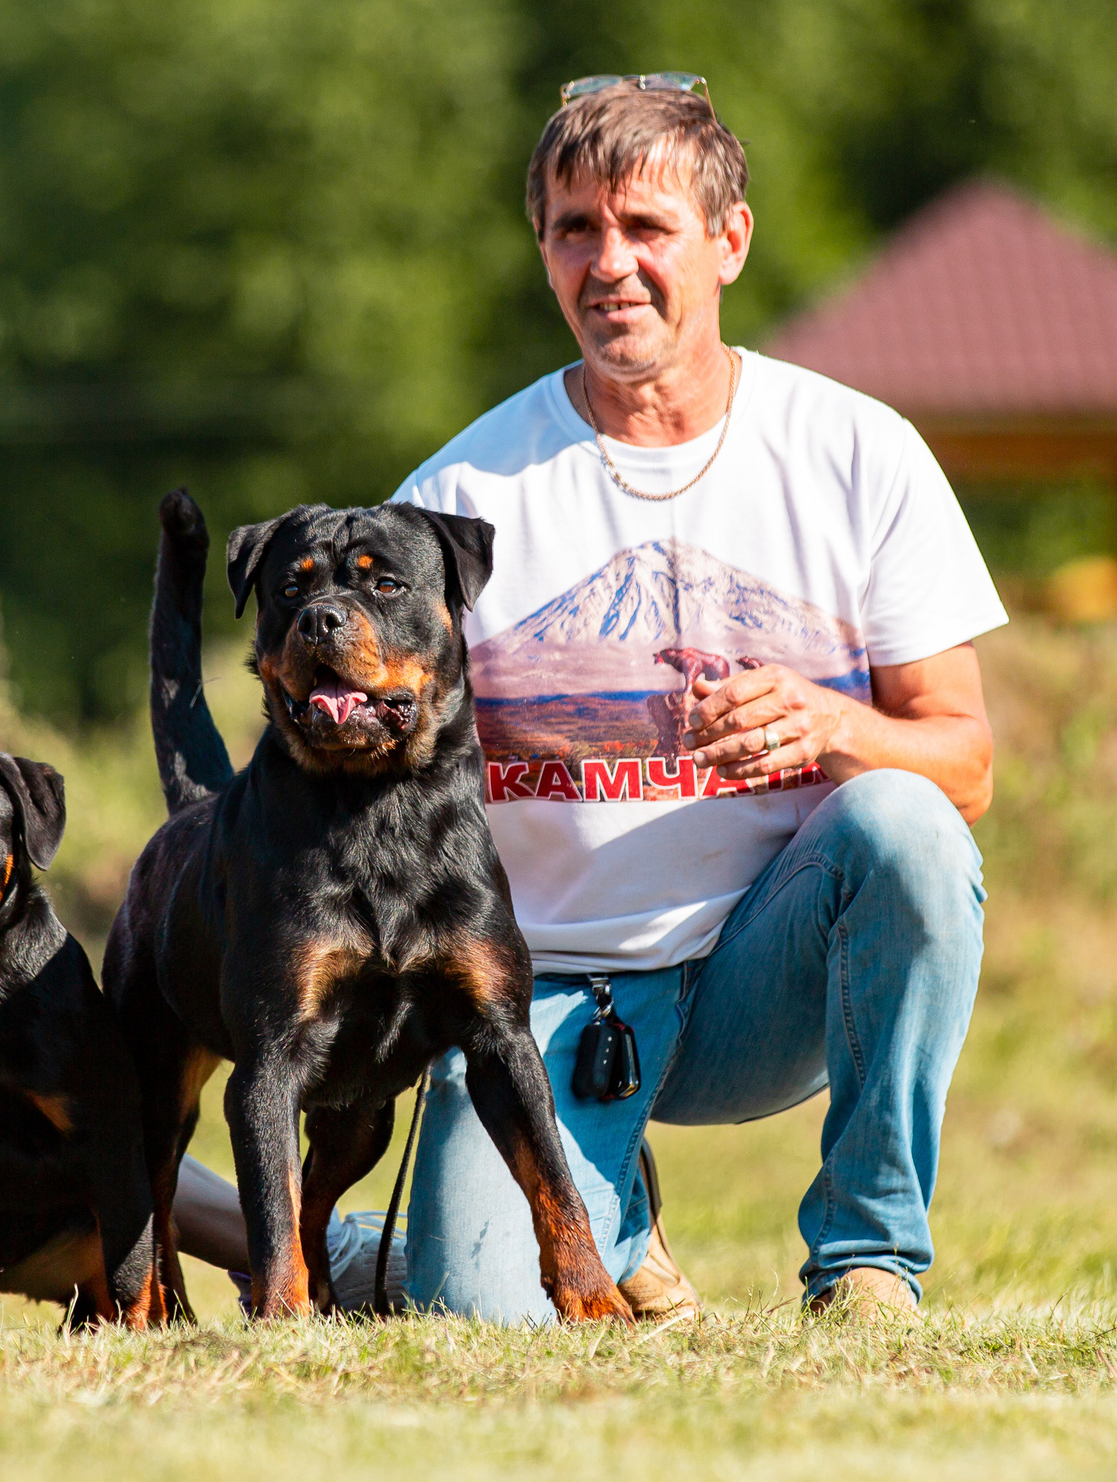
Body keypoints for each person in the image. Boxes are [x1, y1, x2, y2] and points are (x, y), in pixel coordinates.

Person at [387, 75, 1004, 1321]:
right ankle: (579, 1221)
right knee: (478, 1317)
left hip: (761, 977)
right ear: (543, 249)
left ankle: (868, 1260)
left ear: (728, 241)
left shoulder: (857, 450)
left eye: (646, 227)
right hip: (546, 1000)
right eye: (575, 229)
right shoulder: (455, 497)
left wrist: (831, 726)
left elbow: (967, 765)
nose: (609, 263)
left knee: (907, 825)